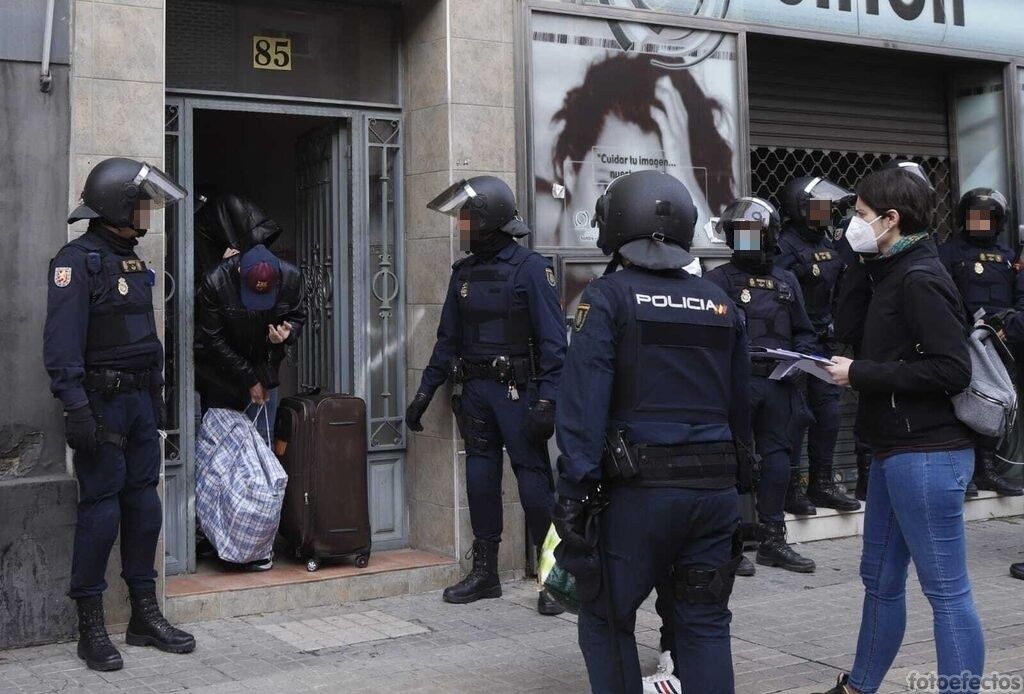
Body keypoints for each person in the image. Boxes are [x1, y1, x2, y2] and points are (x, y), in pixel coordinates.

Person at [554, 170, 752, 693]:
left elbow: (582, 406)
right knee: (704, 623)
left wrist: (573, 494)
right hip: (714, 497)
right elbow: (740, 405)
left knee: (607, 618)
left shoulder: (608, 298)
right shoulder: (720, 303)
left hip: (637, 498)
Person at [816, 167, 983, 694]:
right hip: (893, 448)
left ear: (892, 220)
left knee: (946, 591)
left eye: (862, 216)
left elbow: (952, 369)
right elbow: (847, 331)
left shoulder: (921, 278)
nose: (852, 224)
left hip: (929, 451)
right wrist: (854, 260)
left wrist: (860, 374)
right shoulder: (885, 270)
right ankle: (858, 685)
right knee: (880, 583)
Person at [44, 157, 195, 671]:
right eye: (140, 203)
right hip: (101, 406)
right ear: (114, 206)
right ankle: (90, 625)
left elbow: (148, 342)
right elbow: (62, 347)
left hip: (137, 404)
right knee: (101, 511)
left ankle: (143, 615)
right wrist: (76, 407)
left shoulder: (133, 262)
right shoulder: (77, 261)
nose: (147, 212)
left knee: (144, 506)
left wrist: (155, 398)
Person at [404, 176, 566, 615]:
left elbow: (555, 343)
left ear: (489, 221)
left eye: (466, 220)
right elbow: (447, 340)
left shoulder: (531, 269)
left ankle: (555, 577)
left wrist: (548, 400)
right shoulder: (464, 274)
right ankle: (486, 573)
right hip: (474, 392)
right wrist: (425, 391)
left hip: (519, 393)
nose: (460, 228)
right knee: (480, 479)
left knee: (534, 484)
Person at [706, 196, 818, 574]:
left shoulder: (787, 281)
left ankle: (773, 540)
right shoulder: (716, 280)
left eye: (754, 234)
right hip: (737, 385)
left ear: (769, 237)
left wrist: (802, 359)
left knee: (778, 459)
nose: (747, 242)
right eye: (741, 235)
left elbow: (805, 331)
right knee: (729, 460)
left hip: (780, 384)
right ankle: (728, 543)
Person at [539, 53, 736, 246]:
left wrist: (687, 181)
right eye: (607, 187)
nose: (629, 225)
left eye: (657, 203)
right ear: (571, 172)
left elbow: (724, 274)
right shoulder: (534, 228)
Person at [776, 176, 861, 515]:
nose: (826, 214)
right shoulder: (783, 247)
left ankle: (822, 484)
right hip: (796, 345)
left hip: (825, 344)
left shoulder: (828, 242)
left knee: (828, 415)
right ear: (800, 208)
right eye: (819, 207)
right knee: (795, 417)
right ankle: (791, 488)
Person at [938, 187, 1023, 497]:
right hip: (963, 341)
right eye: (975, 217)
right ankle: (963, 473)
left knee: (995, 403)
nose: (981, 223)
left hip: (1000, 344)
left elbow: (1018, 298)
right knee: (962, 404)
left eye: (988, 218)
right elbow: (943, 296)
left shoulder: (1010, 257)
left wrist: (1008, 327)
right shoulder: (947, 253)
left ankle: (986, 470)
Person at [195, 243, 306, 445]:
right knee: (222, 443)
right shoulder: (216, 280)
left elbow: (297, 316)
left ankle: (260, 478)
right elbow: (212, 338)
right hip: (222, 370)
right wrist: (250, 379)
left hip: (264, 366)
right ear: (239, 272)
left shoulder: (291, 277)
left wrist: (286, 335)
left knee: (262, 440)